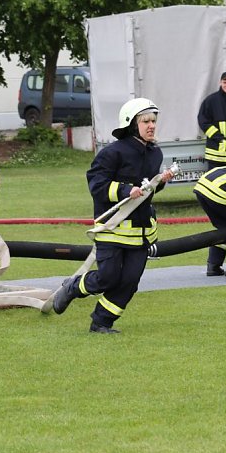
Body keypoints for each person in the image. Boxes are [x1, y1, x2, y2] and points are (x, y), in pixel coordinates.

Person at [51, 98, 173, 334]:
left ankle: (101, 323)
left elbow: (148, 191)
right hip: (112, 228)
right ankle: (74, 287)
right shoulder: (112, 153)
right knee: (108, 277)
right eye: (146, 121)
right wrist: (126, 190)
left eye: (153, 121)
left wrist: (161, 182)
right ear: (131, 124)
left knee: (129, 282)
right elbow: (97, 184)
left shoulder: (155, 153)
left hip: (141, 233)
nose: (151, 126)